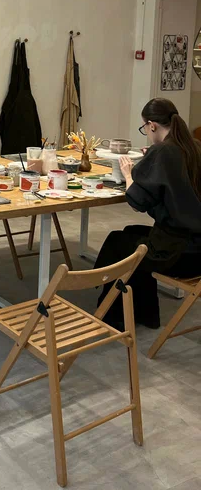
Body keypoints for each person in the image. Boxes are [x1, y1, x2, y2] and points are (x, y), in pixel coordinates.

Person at [96, 98, 201, 329]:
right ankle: (146, 313)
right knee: (130, 232)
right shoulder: (193, 146)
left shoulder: (163, 151)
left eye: (144, 127)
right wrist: (152, 158)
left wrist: (128, 174)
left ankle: (113, 315)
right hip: (196, 247)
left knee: (118, 243)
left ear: (152, 125)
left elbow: (137, 202)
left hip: (181, 253)